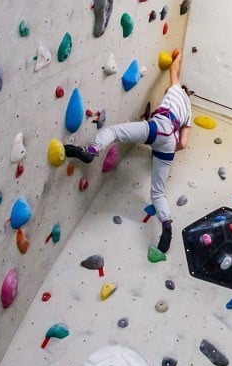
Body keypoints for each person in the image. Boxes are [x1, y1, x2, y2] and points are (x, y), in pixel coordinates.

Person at [66, 52, 192, 254]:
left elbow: (173, 69)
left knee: (115, 132)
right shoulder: (189, 113)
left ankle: (91, 151)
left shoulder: (176, 89)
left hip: (159, 125)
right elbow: (183, 144)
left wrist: (179, 55)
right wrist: (161, 148)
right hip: (170, 141)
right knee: (158, 193)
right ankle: (166, 225)